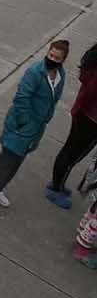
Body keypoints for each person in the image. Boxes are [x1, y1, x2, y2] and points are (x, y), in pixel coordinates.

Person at [0, 39, 68, 212]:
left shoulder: (60, 76)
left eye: (57, 58)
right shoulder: (35, 72)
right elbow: (22, 97)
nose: (53, 59)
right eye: (51, 55)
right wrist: (24, 121)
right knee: (7, 159)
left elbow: (54, 99)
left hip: (36, 128)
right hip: (22, 124)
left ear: (63, 60)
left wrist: (46, 118)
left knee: (18, 160)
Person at [46, 42, 97, 209]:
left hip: (84, 114)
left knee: (70, 150)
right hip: (91, 118)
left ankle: (57, 183)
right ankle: (55, 188)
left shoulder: (93, 56)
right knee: (73, 155)